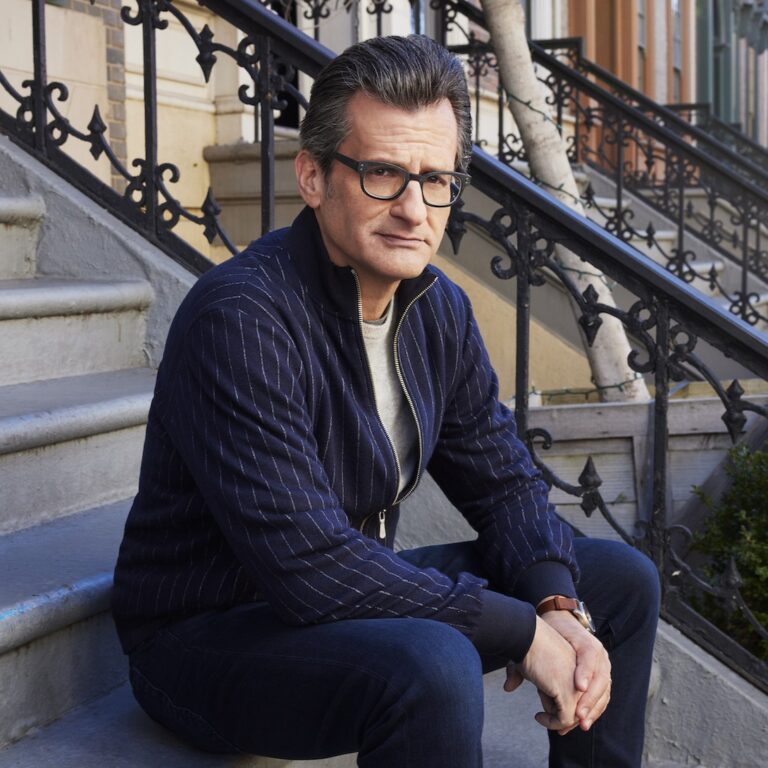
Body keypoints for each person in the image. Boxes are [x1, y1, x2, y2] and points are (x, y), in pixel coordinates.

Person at [112, 35, 659, 768]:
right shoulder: (240, 320)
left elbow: (503, 485)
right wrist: (521, 633)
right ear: (312, 176)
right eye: (382, 174)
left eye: (436, 179)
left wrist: (557, 607)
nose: (414, 208)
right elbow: (307, 566)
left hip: (342, 596)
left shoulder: (438, 309)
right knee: (431, 661)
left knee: (616, 581)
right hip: (208, 636)